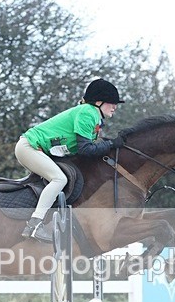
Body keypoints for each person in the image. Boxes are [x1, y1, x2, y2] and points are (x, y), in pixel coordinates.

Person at [15, 78, 126, 242]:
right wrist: (110, 144)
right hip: (29, 147)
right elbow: (85, 149)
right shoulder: (88, 113)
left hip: (36, 149)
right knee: (59, 178)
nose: (115, 107)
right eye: (112, 102)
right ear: (99, 102)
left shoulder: (92, 115)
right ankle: (34, 224)